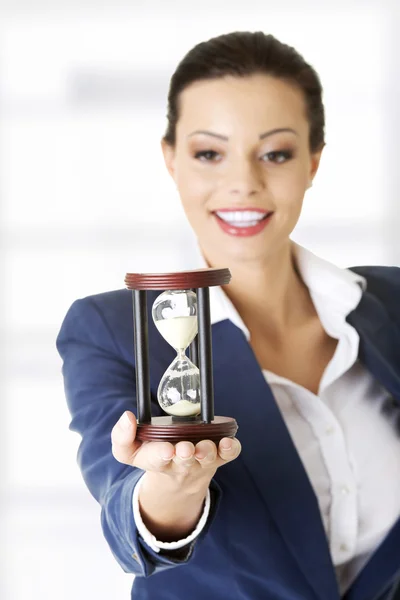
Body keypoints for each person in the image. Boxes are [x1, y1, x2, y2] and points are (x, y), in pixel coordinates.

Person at [56, 31, 400, 600]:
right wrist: (173, 487)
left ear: (313, 161)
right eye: (210, 153)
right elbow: (127, 516)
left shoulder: (389, 300)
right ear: (171, 159)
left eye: (276, 153)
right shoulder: (111, 330)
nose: (243, 182)